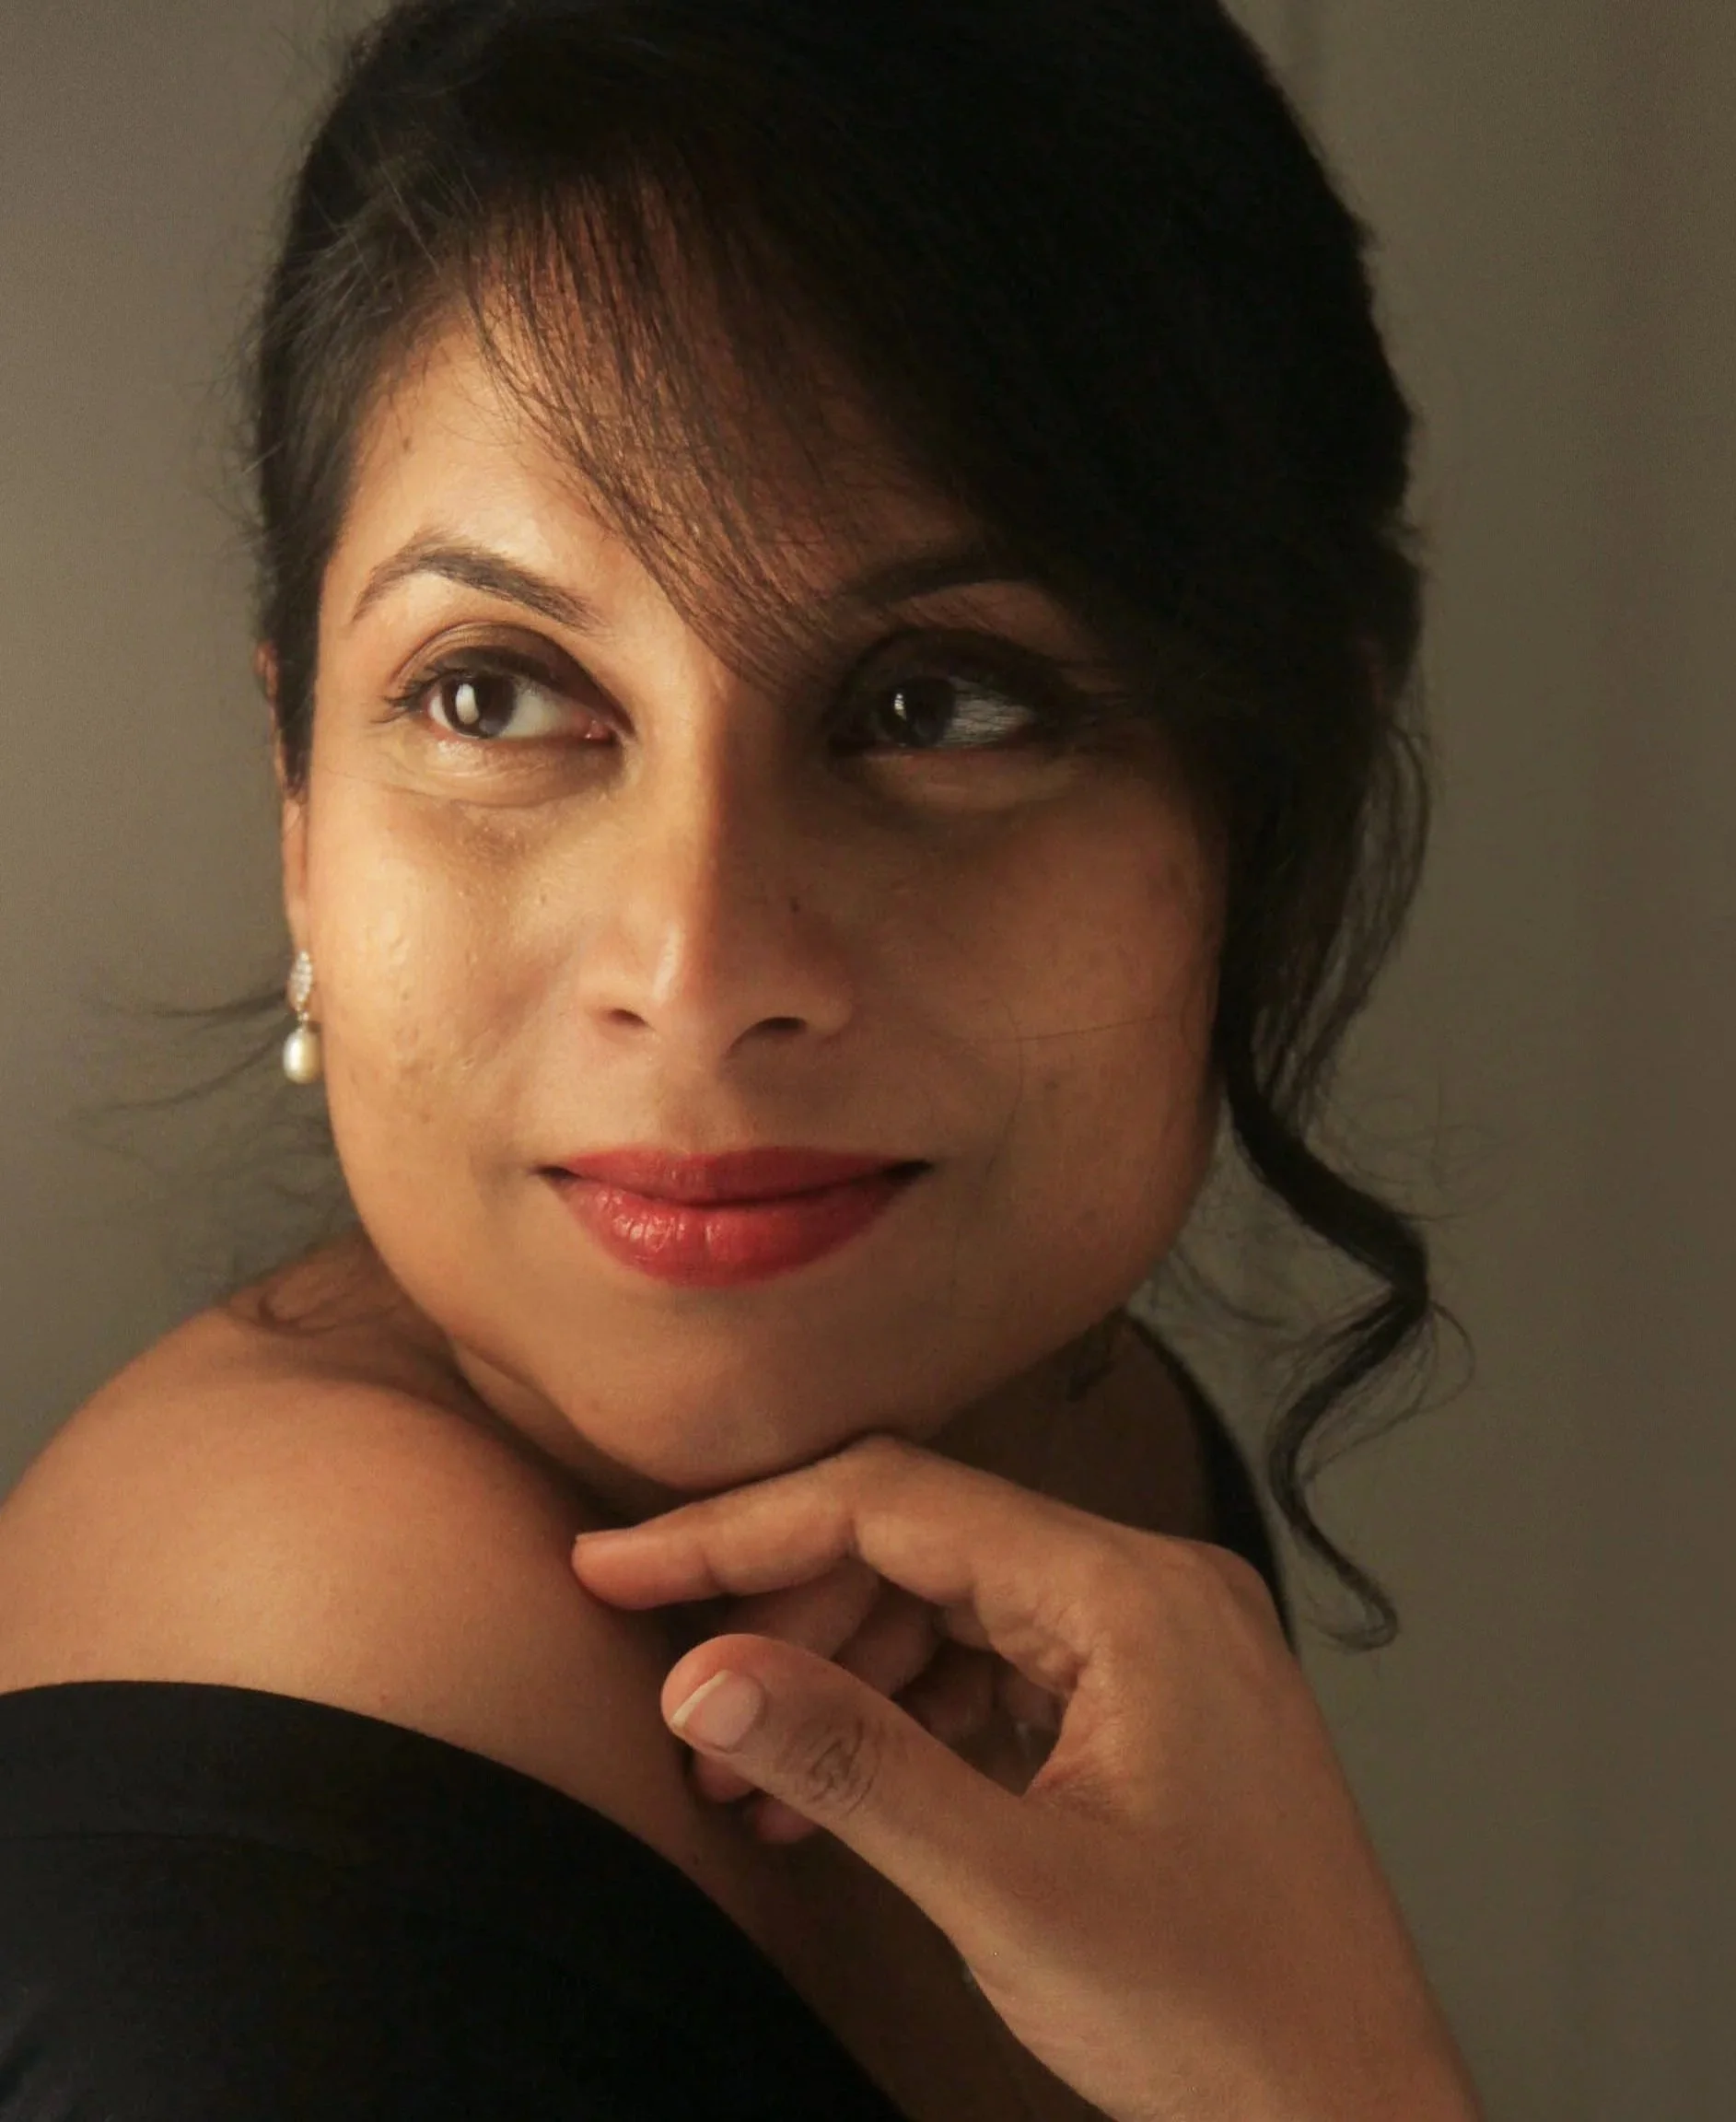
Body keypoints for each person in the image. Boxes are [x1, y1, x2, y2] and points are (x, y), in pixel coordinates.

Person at [0, 1, 1478, 2116]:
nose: (698, 968)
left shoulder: (1047, 1442)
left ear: (1274, 802)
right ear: (301, 816)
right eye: (500, 695)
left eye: (940, 705)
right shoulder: (296, 1819)